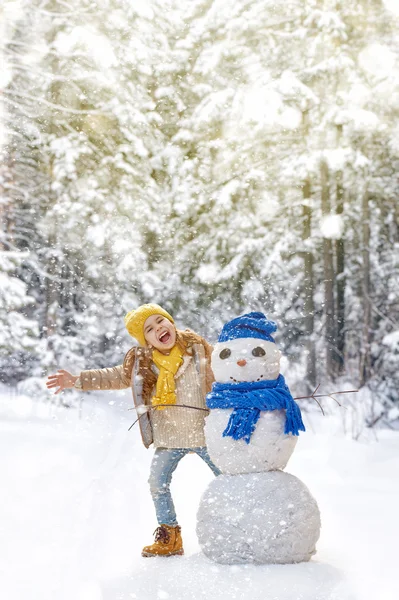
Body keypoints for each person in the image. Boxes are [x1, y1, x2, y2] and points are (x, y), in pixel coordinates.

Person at [46, 303, 221, 557]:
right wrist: (77, 380)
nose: (158, 328)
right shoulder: (144, 363)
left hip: (205, 433)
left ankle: (242, 522)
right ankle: (169, 537)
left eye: (160, 321)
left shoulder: (199, 350)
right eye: (149, 329)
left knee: (229, 477)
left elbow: (229, 368)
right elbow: (115, 376)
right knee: (157, 483)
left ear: (170, 322)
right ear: (146, 341)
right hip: (169, 437)